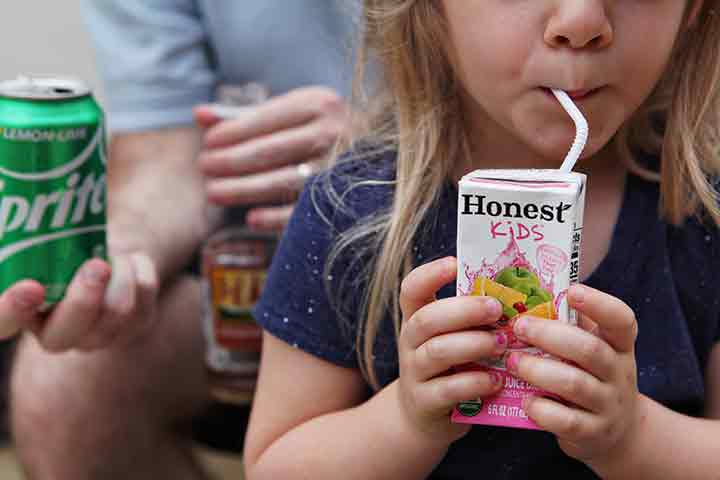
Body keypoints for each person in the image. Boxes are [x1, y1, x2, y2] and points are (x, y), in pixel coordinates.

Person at [243, 1, 720, 479]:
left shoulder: (707, 214)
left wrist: (633, 439)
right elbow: (273, 465)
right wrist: (405, 421)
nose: (581, 22)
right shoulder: (347, 212)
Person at [5, 2, 358, 479]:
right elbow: (163, 149)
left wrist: (394, 149)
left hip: (437, 237)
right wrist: (121, 256)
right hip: (256, 267)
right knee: (63, 386)